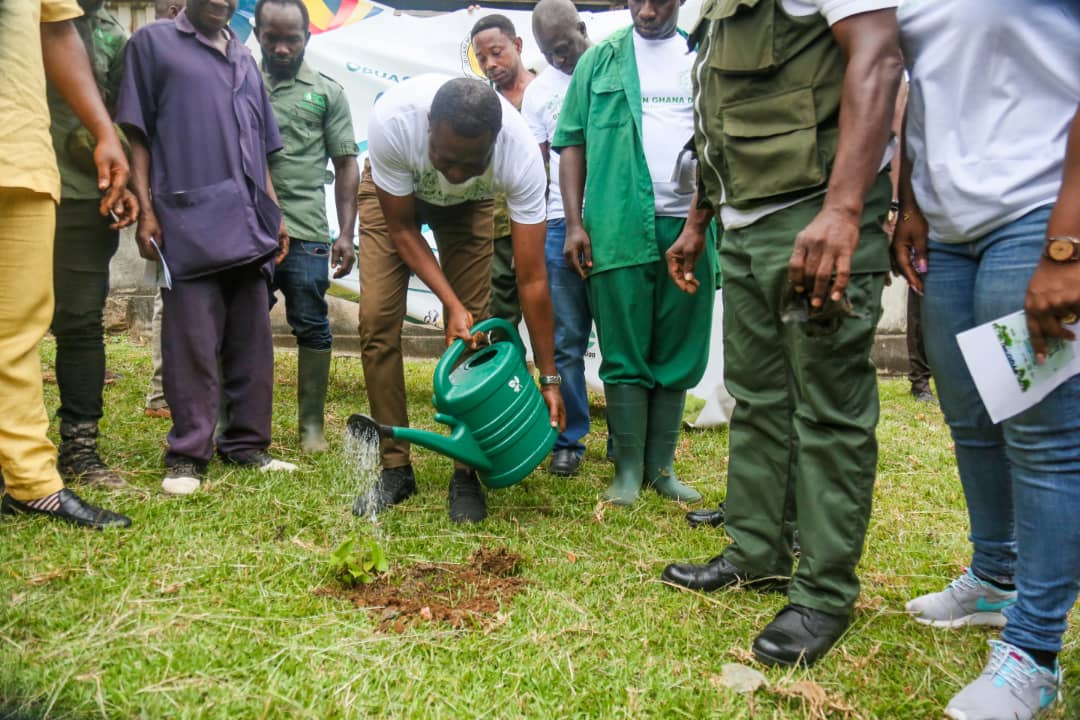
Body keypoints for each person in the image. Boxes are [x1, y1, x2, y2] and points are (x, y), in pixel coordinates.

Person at [659, 0, 903, 668]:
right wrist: (699, 220)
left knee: (828, 411)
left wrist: (844, 210)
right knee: (757, 397)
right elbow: (717, 113)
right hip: (741, 224)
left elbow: (878, 57)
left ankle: (823, 593)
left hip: (814, 216)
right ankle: (757, 550)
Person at [893, 3, 1080, 717]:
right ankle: (996, 577)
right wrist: (910, 203)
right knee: (969, 419)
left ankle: (1034, 652)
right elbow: (923, 89)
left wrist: (1067, 242)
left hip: (1034, 212)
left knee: (1042, 440)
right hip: (947, 227)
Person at [355, 74, 564, 524]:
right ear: (429, 126)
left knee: (475, 332)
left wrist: (549, 379)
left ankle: (465, 471)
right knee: (376, 319)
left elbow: (531, 279)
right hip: (394, 198)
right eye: (446, 159)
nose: (453, 175)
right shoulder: (394, 121)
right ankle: (395, 468)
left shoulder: (520, 156)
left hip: (471, 206)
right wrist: (450, 303)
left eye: (471, 162)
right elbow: (402, 230)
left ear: (495, 143)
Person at [117, 0, 297, 496]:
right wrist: (146, 208)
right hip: (186, 219)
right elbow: (137, 133)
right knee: (191, 341)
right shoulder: (153, 44)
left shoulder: (244, 57)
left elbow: (260, 146)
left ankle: (247, 444)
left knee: (252, 339)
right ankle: (188, 453)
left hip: (249, 220)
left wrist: (274, 211)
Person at [553, 0, 716, 506]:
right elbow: (572, 141)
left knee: (679, 345)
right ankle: (626, 470)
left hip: (690, 223)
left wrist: (700, 218)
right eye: (636, 0)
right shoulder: (598, 60)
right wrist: (575, 223)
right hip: (617, 220)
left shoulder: (704, 55)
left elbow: (722, 140)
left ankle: (660, 468)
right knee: (622, 347)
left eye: (659, 1)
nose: (646, 11)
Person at [0, 0, 135, 529]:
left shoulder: (109, 34)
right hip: (38, 165)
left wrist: (106, 135)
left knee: (25, 331)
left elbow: (55, 31)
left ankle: (38, 477)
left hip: (31, 163)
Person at [255, 0, 359, 452]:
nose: (282, 48)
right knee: (239, 324)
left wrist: (346, 234)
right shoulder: (239, 80)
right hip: (248, 230)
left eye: (292, 39)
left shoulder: (327, 92)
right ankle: (234, 418)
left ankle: (311, 427)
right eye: (272, 38)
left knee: (312, 324)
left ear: (307, 38)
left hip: (308, 232)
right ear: (257, 35)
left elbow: (346, 162)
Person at [45, 0, 130, 488]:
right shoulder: (19, 18)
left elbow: (123, 123)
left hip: (82, 193)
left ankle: (80, 448)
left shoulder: (113, 35)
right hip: (16, 182)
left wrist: (126, 184)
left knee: (80, 322)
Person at [522, 0, 593, 477]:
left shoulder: (611, 69)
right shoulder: (539, 93)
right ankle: (569, 439)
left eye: (564, 47)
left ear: (581, 28)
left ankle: (629, 442)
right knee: (565, 339)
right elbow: (543, 164)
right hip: (556, 225)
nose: (558, 59)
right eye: (548, 52)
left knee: (623, 340)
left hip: (614, 221)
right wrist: (564, 224)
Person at [470, 14, 531, 330]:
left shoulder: (548, 94)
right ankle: (511, 363)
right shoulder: (480, 103)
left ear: (517, 45)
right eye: (481, 58)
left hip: (543, 221)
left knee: (555, 313)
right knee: (500, 317)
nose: (490, 64)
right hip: (495, 226)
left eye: (496, 53)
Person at [142, 0, 187, 421]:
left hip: (189, 198)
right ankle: (160, 394)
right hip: (164, 199)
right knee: (167, 295)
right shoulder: (152, 56)